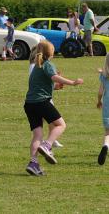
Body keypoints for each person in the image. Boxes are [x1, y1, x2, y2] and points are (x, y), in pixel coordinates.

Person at [24, 40, 83, 176]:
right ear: (51, 53)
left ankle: (33, 163)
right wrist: (73, 83)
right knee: (61, 125)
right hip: (42, 102)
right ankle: (47, 145)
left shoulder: (37, 66)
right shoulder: (47, 64)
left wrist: (55, 87)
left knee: (37, 135)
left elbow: (41, 85)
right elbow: (55, 77)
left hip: (29, 104)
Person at [29, 45, 64, 148]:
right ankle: (48, 142)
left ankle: (49, 141)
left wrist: (56, 85)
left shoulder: (40, 65)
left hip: (42, 97)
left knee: (50, 120)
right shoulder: (35, 66)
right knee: (54, 121)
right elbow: (38, 83)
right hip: (41, 98)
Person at [97, 53, 109, 165]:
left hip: (107, 105)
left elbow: (100, 92)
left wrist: (99, 101)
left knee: (107, 132)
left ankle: (106, 145)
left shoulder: (104, 76)